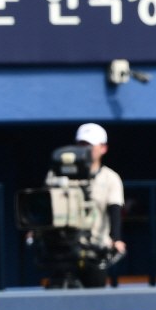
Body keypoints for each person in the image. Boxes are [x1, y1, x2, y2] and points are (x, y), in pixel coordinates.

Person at [50, 123, 125, 288]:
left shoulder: (111, 178)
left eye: (90, 145)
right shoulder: (57, 175)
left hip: (96, 250)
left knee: (94, 297)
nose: (85, 149)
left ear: (103, 148)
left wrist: (116, 240)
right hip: (63, 250)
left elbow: (115, 210)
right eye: (81, 144)